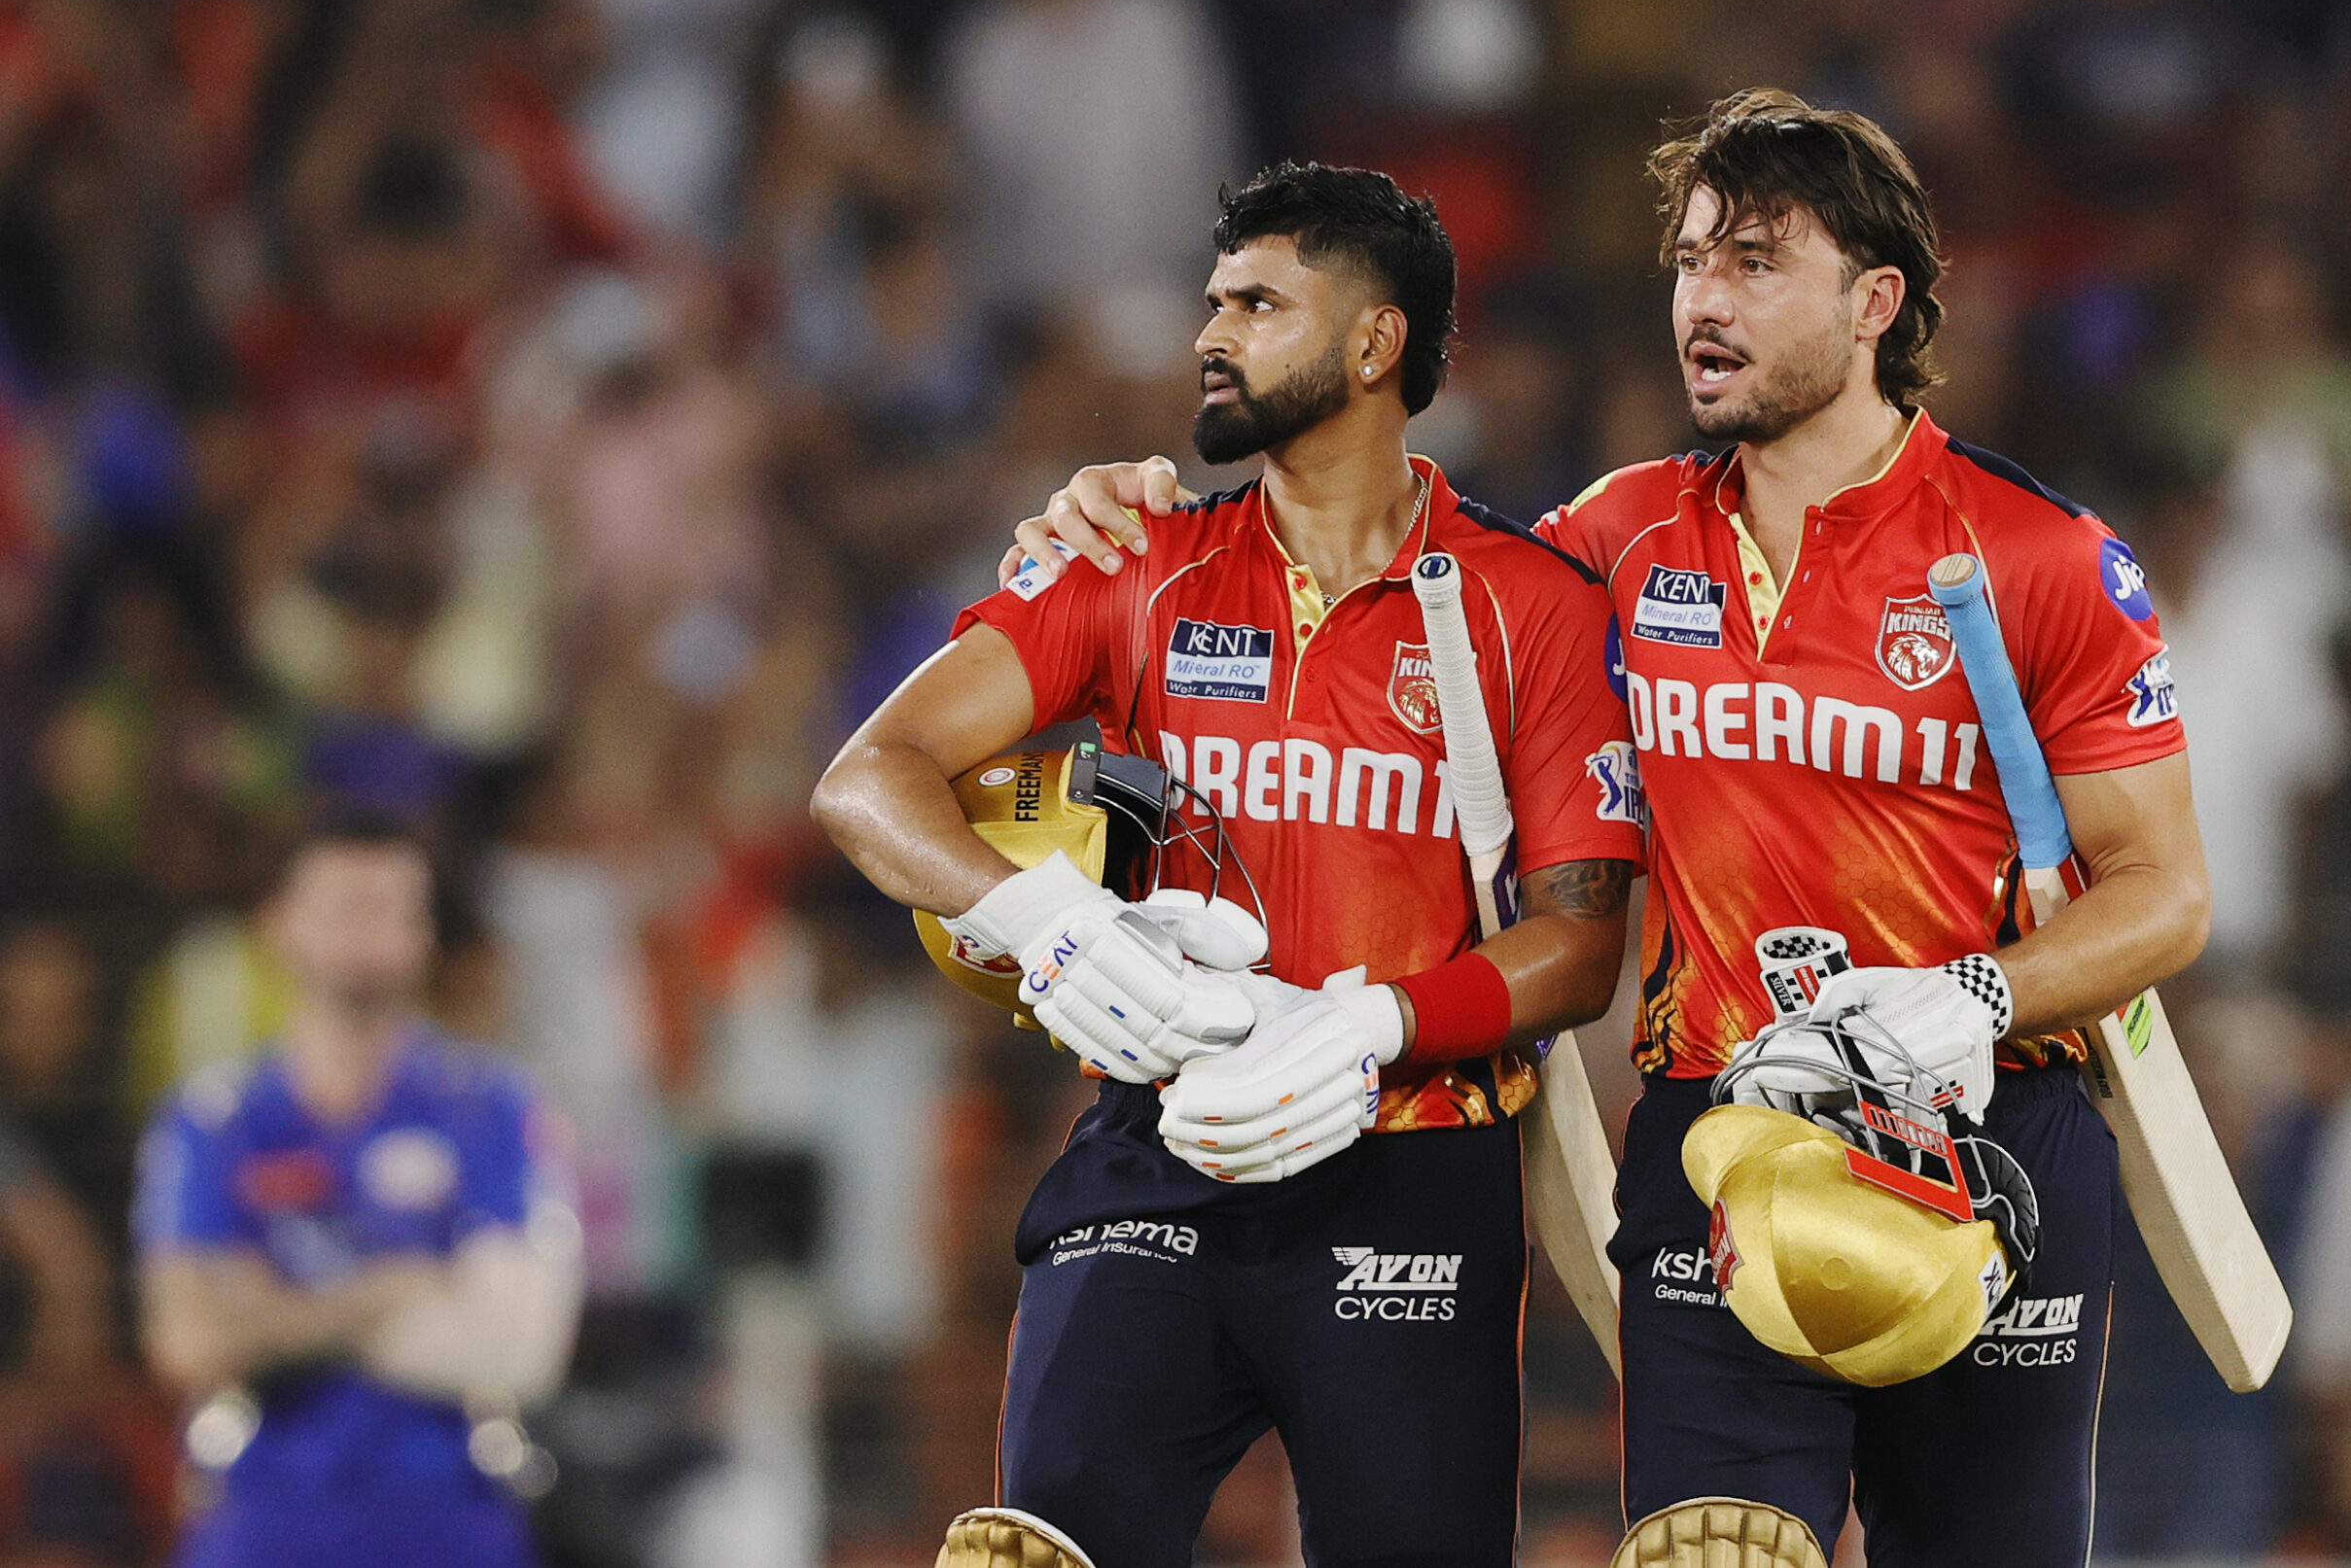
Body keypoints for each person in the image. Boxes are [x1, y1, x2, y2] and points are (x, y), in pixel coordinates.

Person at [1008, 90, 2212, 1567]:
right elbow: (1389, 564)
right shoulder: (1609, 540)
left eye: (1756, 262)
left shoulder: (2041, 558)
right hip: (1719, 1122)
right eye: (1691, 262)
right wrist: (1128, 508)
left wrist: (1976, 995)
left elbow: (2166, 895)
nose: (1703, 300)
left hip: (1985, 1131)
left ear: (1875, 302)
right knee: (1714, 1550)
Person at [813, 161, 1642, 1568]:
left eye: (1259, 304)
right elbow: (864, 781)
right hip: (1158, 1148)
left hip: (1413, 1169)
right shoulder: (1131, 563)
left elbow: (1579, 945)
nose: (1212, 332)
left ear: (1376, 344)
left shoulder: (1531, 605)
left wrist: (1371, 1022)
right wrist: (1046, 919)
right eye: (1213, 300)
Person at [134, 818, 584, 1568]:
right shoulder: (215, 1119)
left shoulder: (494, 1107)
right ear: (278, 924)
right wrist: (399, 1289)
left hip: (450, 1511)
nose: (373, 937)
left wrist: (275, 1308)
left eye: (396, 911)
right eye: (348, 908)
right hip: (262, 1515)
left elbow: (522, 1351)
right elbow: (190, 1340)